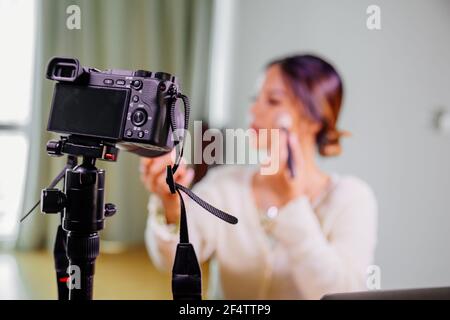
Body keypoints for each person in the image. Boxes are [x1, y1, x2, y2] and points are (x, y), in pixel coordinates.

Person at [140, 54, 377, 299]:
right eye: (255, 99)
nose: (253, 110)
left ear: (316, 118)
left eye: (273, 101)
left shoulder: (351, 198)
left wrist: (291, 203)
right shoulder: (226, 184)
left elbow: (344, 292)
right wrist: (170, 204)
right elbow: (171, 264)